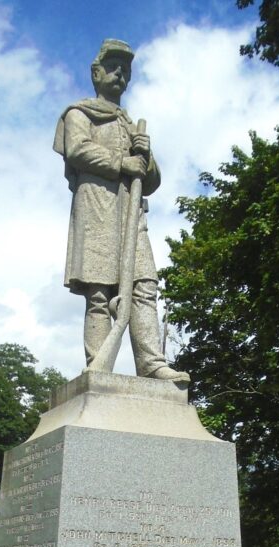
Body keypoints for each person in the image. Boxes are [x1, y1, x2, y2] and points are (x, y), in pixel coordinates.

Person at [53, 39, 189, 382]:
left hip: (131, 215)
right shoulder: (79, 113)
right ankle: (99, 365)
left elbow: (149, 179)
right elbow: (77, 151)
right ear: (95, 72)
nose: (119, 75)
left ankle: (152, 364)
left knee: (145, 285)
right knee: (99, 294)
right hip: (98, 209)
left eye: (125, 70)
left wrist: (147, 156)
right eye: (113, 67)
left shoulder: (130, 125)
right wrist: (123, 162)